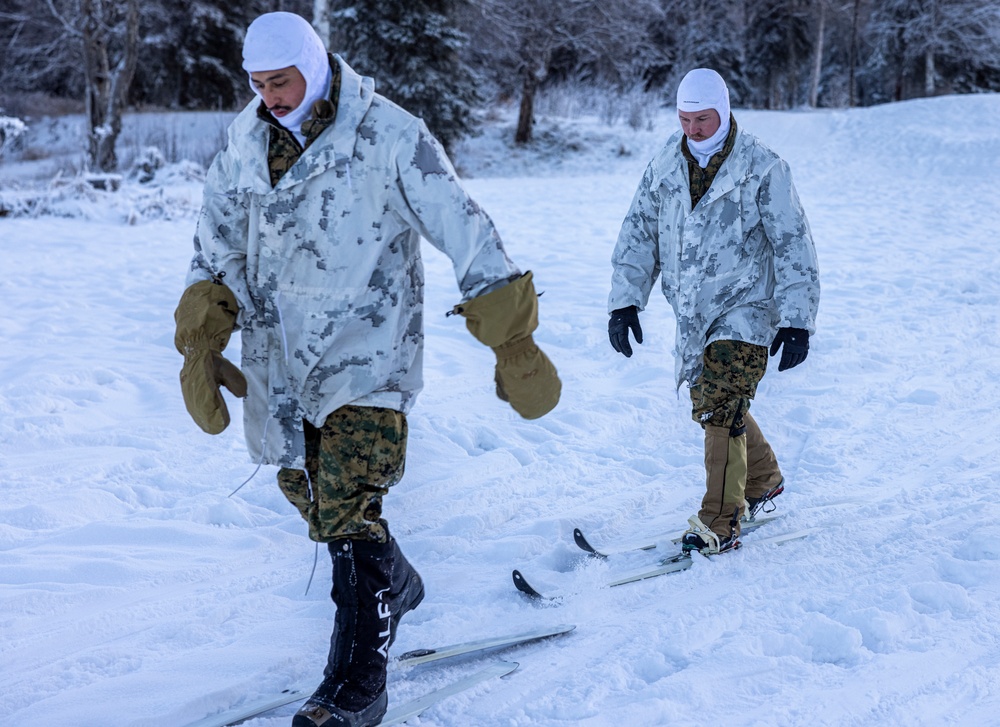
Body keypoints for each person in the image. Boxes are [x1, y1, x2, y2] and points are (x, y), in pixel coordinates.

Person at [172, 11, 560, 727]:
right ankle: (396, 581)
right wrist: (202, 333)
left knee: (348, 500)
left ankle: (356, 681)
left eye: (280, 81)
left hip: (367, 352)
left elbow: (461, 223)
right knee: (312, 494)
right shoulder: (244, 141)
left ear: (314, 66)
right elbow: (214, 237)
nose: (270, 97)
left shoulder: (388, 133)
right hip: (278, 361)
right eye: (257, 84)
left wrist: (511, 335)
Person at [607, 68, 819, 555]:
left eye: (703, 119)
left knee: (721, 400)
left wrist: (797, 319)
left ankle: (720, 521)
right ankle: (762, 478)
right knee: (713, 402)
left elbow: (792, 245)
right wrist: (624, 300)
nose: (693, 129)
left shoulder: (763, 166)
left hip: (748, 307)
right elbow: (638, 233)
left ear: (722, 112)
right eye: (685, 118)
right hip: (693, 311)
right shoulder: (665, 163)